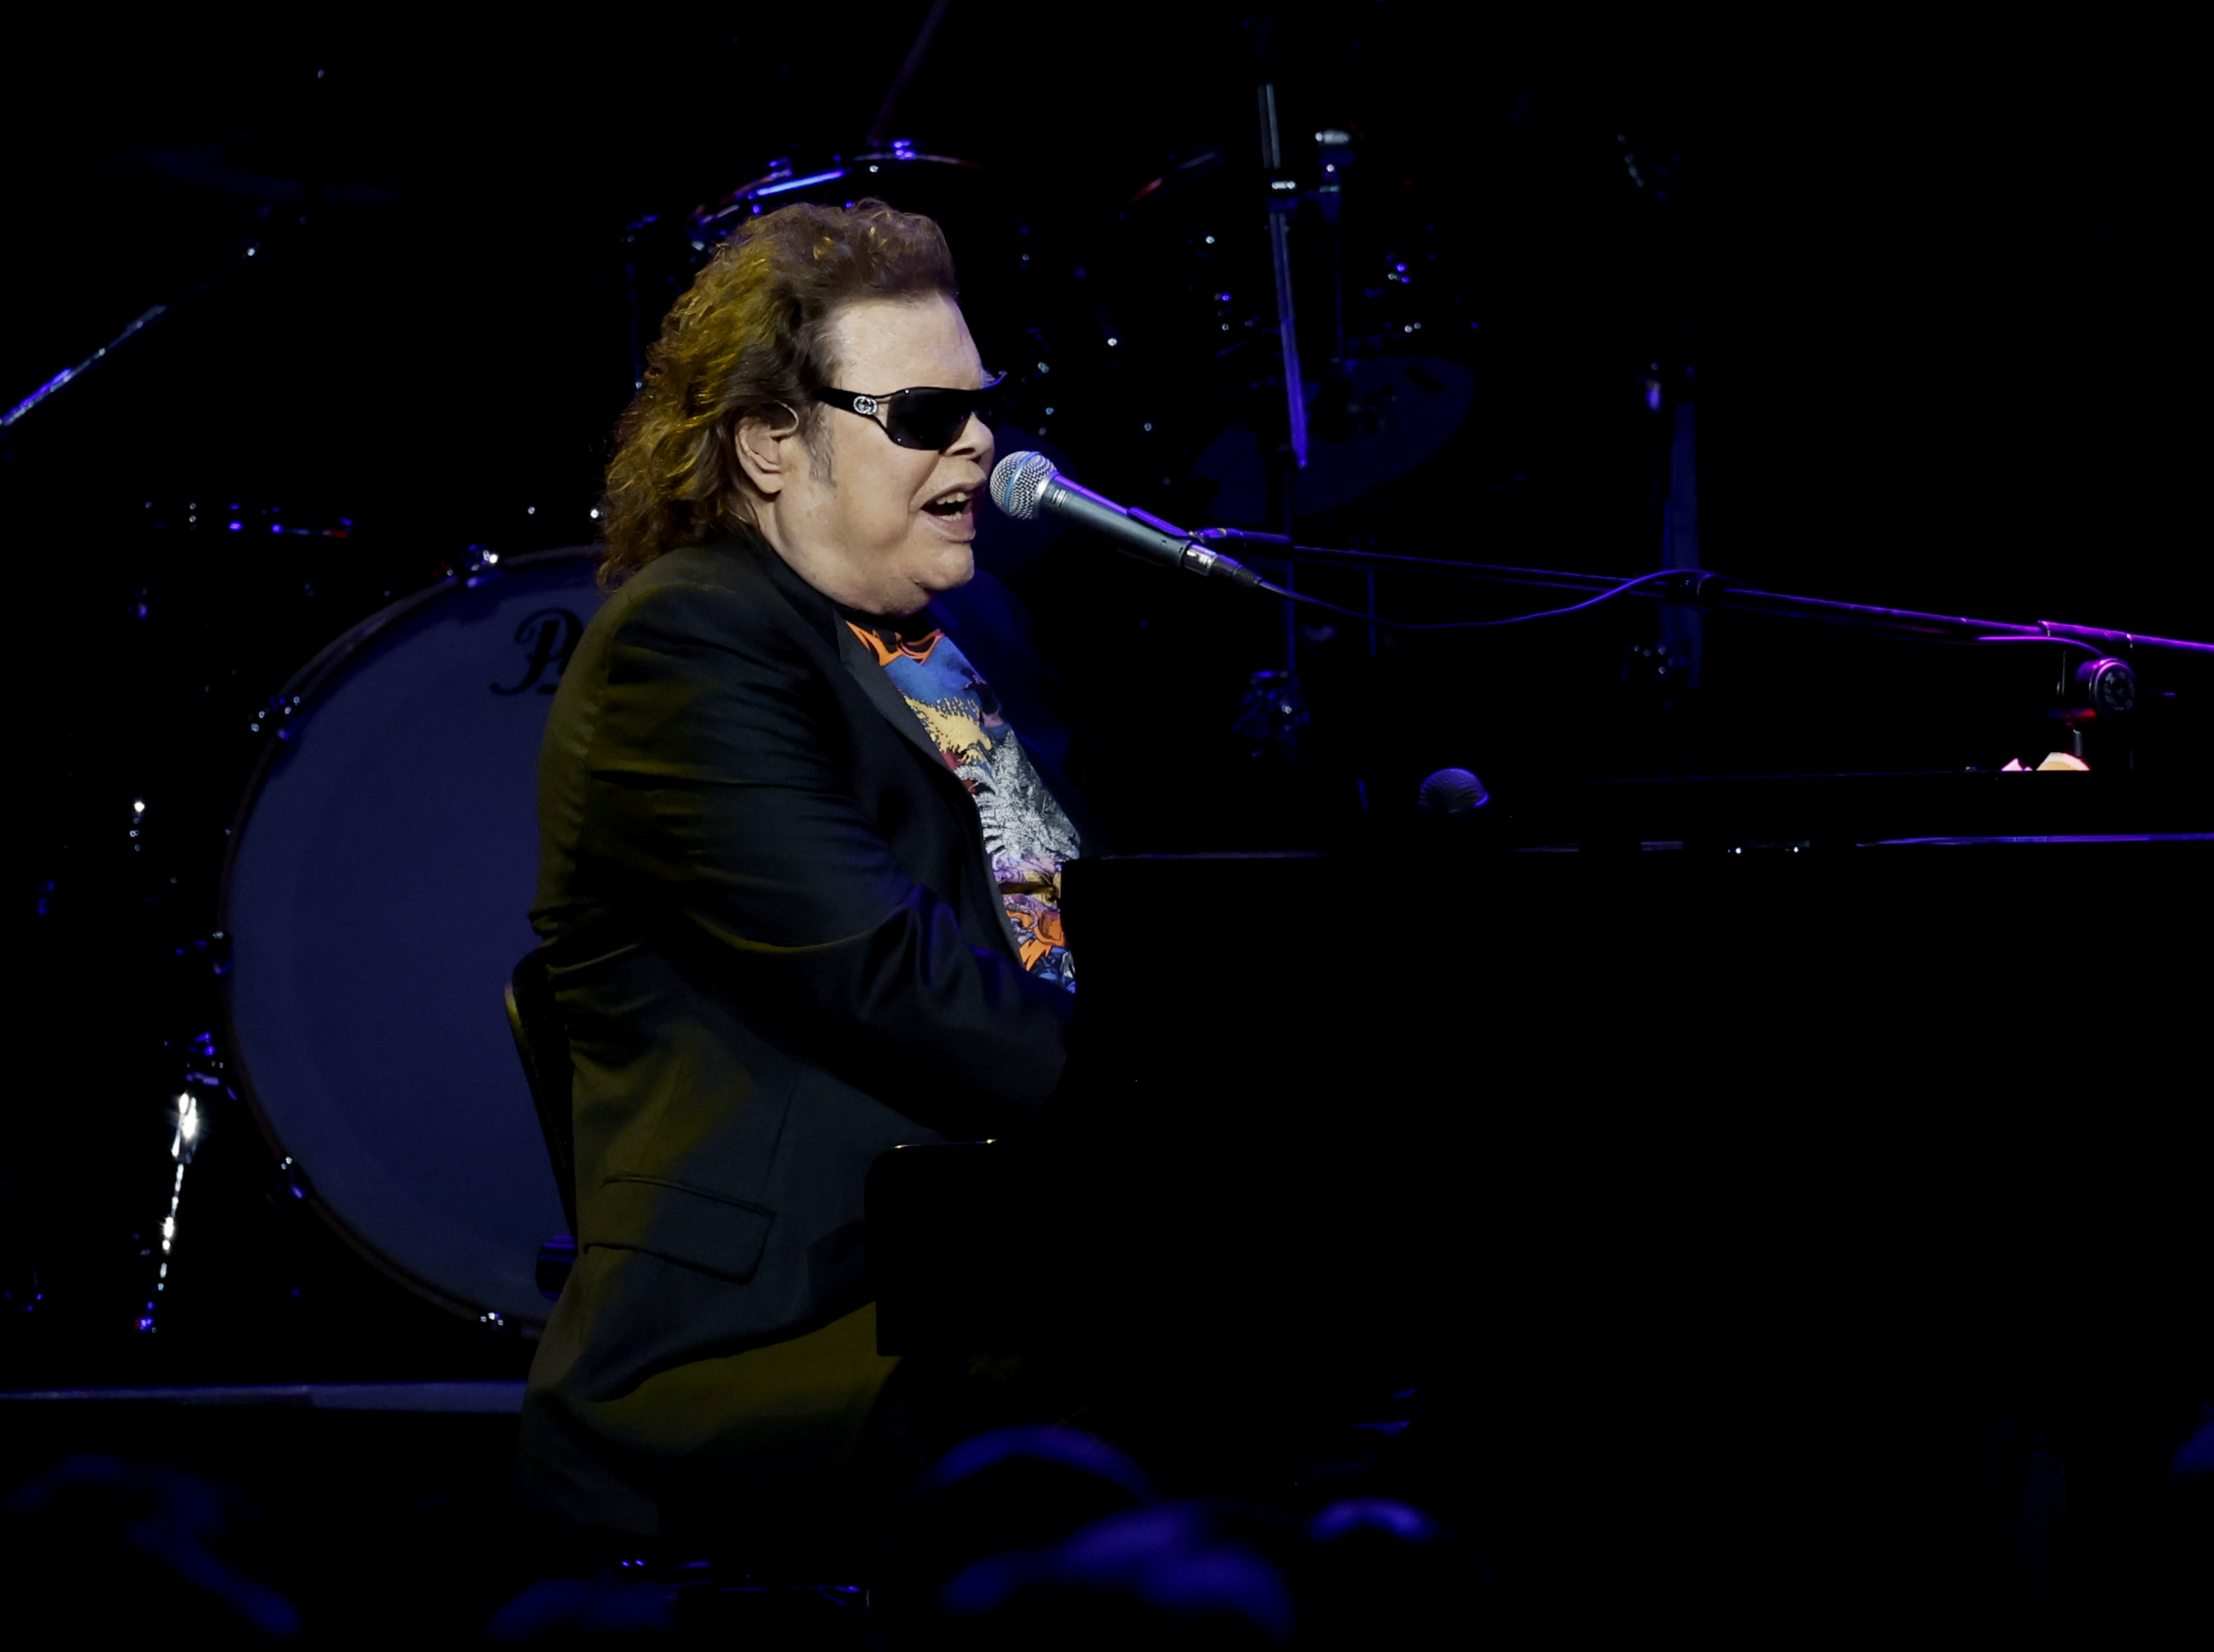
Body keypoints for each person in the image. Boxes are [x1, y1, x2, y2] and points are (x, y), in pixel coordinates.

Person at [515, 200, 1096, 1555]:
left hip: (1004, 1261)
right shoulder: (693, 645)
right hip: (801, 1321)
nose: (977, 443)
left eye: (980, 407)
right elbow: (891, 975)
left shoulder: (977, 629)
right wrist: (1184, 1126)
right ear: (772, 444)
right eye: (923, 414)